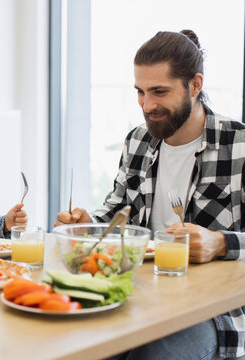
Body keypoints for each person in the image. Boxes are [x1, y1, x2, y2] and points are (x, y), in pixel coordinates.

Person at [55, 30, 245, 359]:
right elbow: (116, 210)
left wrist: (221, 243)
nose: (147, 105)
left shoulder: (238, 145)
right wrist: (90, 224)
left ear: (195, 85)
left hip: (213, 311)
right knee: (82, 344)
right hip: (141, 293)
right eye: (140, 92)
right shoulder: (138, 141)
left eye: (159, 92)